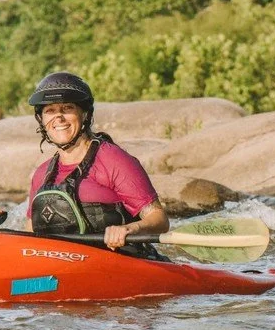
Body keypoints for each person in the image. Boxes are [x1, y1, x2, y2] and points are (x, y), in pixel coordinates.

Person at [24, 71, 169, 250]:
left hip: (120, 261)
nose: (58, 117)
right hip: (63, 266)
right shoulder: (41, 174)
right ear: (41, 119)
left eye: (67, 108)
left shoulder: (113, 160)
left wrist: (129, 228)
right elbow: (28, 237)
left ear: (84, 113)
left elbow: (159, 219)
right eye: (50, 110)